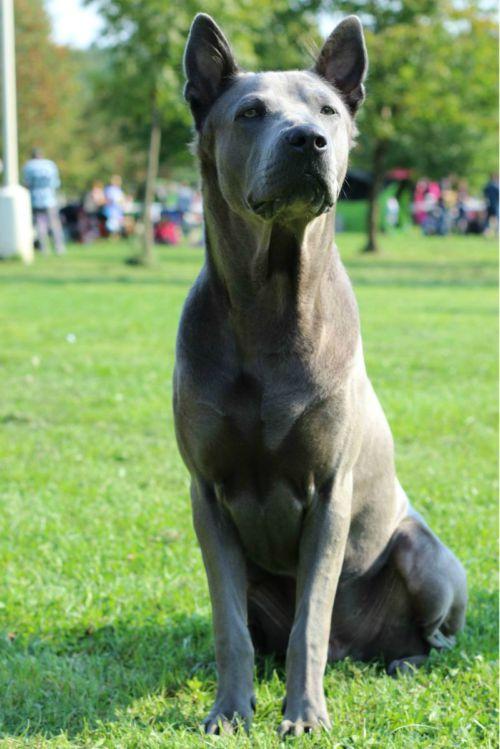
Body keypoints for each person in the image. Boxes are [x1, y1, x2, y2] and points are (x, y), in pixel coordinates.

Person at [22, 148, 65, 255]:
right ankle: (59, 248)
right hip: (50, 199)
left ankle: (44, 249)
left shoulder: (29, 166)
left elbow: (26, 183)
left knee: (40, 224)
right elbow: (56, 183)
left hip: (35, 199)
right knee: (54, 224)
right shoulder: (50, 164)